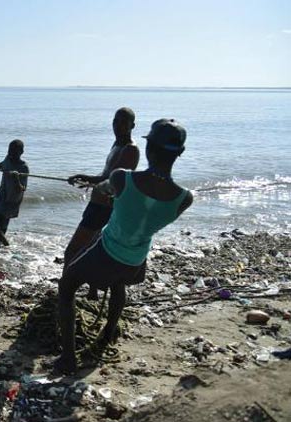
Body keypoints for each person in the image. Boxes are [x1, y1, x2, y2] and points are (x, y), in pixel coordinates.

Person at [55, 118, 193, 374]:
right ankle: (108, 332)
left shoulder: (122, 179)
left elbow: (105, 189)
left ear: (149, 149)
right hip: (136, 259)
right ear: (180, 153)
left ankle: (68, 357)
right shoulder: (185, 199)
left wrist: (101, 187)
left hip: (107, 251)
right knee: (118, 284)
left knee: (66, 286)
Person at [65, 107, 140, 299]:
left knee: (72, 251)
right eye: (116, 121)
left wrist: (90, 182)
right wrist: (85, 178)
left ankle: (64, 292)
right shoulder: (117, 145)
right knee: (92, 249)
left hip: (104, 208)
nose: (118, 126)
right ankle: (92, 292)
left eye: (124, 122)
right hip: (98, 204)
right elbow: (105, 176)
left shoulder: (130, 149)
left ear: (132, 125)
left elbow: (114, 181)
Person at [0, 139, 29, 246]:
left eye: (14, 151)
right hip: (2, 196)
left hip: (11, 200)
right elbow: (2, 166)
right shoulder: (7, 159)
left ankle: (7, 246)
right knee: (2, 228)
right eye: (10, 150)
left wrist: (16, 179)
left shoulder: (23, 167)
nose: (11, 153)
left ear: (21, 152)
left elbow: (23, 188)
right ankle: (0, 251)